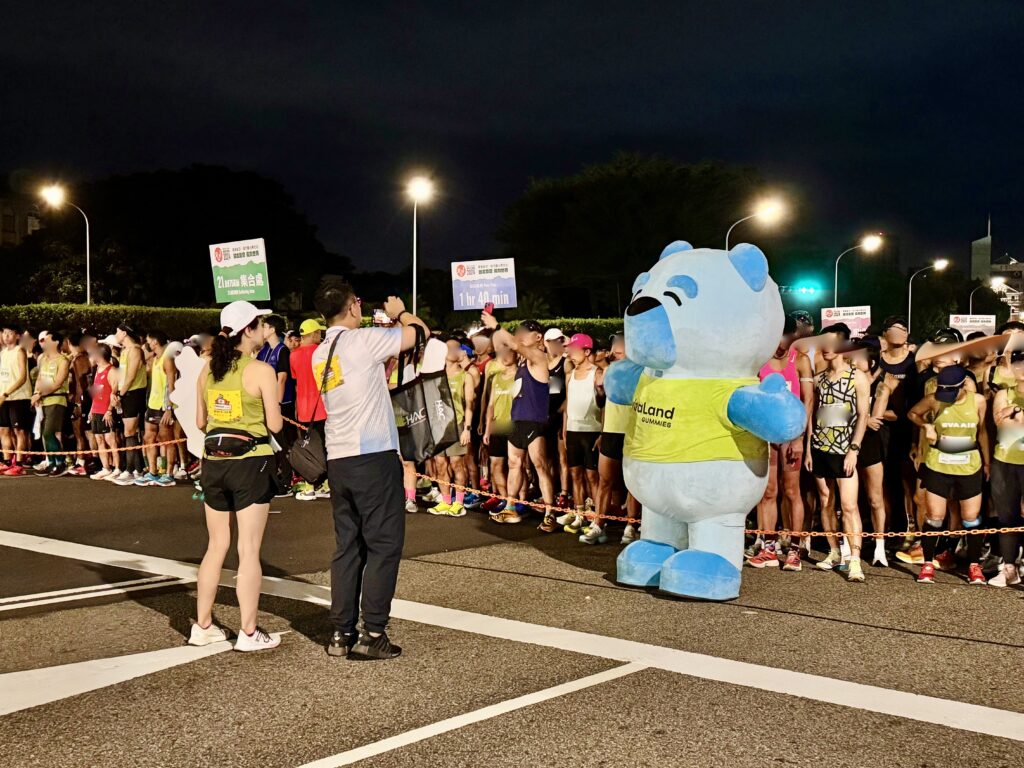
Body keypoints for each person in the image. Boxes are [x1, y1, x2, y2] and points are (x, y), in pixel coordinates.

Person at [312, 277, 429, 661]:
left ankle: (341, 633)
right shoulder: (361, 341)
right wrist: (399, 313)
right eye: (357, 302)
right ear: (351, 307)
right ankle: (372, 631)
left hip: (339, 457)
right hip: (372, 455)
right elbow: (419, 333)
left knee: (349, 546)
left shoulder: (320, 352)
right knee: (383, 544)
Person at [191, 300, 282, 652]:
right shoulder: (259, 370)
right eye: (260, 325)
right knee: (248, 549)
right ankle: (248, 631)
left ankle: (203, 626)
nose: (264, 331)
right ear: (249, 329)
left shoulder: (208, 370)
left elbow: (201, 422)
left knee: (216, 545)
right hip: (251, 462)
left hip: (212, 461)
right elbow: (274, 425)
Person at [907, 365, 989, 584]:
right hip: (939, 464)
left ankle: (974, 566)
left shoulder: (978, 401)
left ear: (963, 385)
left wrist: (987, 462)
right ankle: (927, 564)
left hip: (968, 464)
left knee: (970, 517)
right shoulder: (935, 399)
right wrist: (926, 425)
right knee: (935, 516)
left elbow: (982, 432)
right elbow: (912, 413)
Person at [482, 316, 558, 529]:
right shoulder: (523, 361)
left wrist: (496, 326)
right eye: (519, 331)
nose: (521, 335)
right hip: (518, 420)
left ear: (538, 337)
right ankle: (510, 507)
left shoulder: (538, 357)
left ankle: (550, 512)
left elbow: (513, 343)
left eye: (526, 332)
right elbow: (504, 346)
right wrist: (496, 334)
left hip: (534, 421)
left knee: (540, 466)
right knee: (514, 464)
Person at [806, 337, 871, 582]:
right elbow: (814, 414)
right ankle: (834, 552)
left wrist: (854, 448)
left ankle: (854, 559)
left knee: (849, 505)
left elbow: (864, 415)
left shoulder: (857, 377)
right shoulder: (820, 379)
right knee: (826, 501)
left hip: (845, 448)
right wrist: (810, 448)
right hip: (821, 446)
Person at [747, 316, 807, 571]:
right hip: (766, 436)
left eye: (786, 337)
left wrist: (799, 437)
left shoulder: (800, 360)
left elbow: (808, 402)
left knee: (792, 491)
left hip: (792, 436)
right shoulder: (759, 362)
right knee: (768, 492)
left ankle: (794, 550)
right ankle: (768, 548)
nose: (780, 343)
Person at [579, 333, 638, 545]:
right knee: (605, 481)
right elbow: (602, 404)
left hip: (634, 431)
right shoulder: (610, 371)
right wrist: (599, 390)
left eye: (622, 344)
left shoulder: (641, 371)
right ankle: (599, 524)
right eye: (614, 344)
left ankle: (632, 526)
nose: (617, 348)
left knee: (633, 483)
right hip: (611, 431)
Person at [556, 333, 602, 534]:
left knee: (593, 476)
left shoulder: (597, 374)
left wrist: (603, 431)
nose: (571, 354)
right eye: (570, 351)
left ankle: (598, 517)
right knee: (575, 473)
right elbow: (567, 404)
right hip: (573, 430)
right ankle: (579, 513)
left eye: (575, 351)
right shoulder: (569, 376)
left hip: (592, 430)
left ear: (587, 351)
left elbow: (602, 406)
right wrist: (565, 429)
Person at [986, 346, 1024, 587]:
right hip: (1005, 460)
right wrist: (1014, 412)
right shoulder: (1004, 392)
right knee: (1006, 516)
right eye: (1017, 363)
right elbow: (999, 421)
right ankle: (1009, 567)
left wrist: (1016, 413)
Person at [428, 338, 476, 517]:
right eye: (449, 348)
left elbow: (469, 405)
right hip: (438, 426)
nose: (453, 351)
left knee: (457, 463)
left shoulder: (466, 376)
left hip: (457, 425)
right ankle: (446, 500)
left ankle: (459, 502)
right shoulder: (435, 376)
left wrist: (467, 429)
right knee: (440, 464)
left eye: (456, 348)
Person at [289, 318, 328, 501]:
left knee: (307, 449)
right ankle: (326, 484)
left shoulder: (293, 355)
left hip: (304, 410)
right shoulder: (322, 352)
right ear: (312, 334)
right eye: (318, 333)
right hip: (324, 407)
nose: (320, 335)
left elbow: (296, 382)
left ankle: (309, 485)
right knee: (327, 447)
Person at [258, 315, 296, 493]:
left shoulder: (282, 350)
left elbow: (282, 378)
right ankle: (275, 478)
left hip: (283, 402)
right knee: (270, 443)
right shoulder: (263, 350)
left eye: (264, 326)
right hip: (266, 403)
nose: (262, 330)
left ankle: (288, 480)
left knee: (283, 443)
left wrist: (278, 404)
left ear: (272, 329)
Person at [137, 330, 177, 486]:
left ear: (155, 341)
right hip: (152, 405)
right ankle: (152, 473)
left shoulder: (167, 359)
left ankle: (169, 474)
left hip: (163, 405)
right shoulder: (154, 359)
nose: (147, 343)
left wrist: (169, 408)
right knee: (149, 438)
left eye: (148, 340)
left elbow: (170, 385)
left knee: (167, 440)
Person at [481, 346, 517, 515]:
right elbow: (490, 405)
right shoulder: (496, 378)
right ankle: (504, 498)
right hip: (497, 427)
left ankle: (516, 500)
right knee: (496, 465)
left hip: (514, 427)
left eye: (508, 353)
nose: (505, 357)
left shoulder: (520, 375)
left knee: (515, 466)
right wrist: (488, 429)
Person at [112, 323, 148, 484]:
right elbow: (122, 375)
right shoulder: (124, 351)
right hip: (125, 393)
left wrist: (121, 393)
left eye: (117, 331)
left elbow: (131, 375)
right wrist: (115, 393)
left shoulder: (135, 350)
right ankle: (137, 469)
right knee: (128, 432)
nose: (116, 334)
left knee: (130, 432)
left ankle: (131, 470)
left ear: (125, 333)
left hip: (133, 393)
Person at [31, 331, 71, 476]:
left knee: (49, 432)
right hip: (43, 401)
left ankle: (60, 462)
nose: (42, 343)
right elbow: (40, 379)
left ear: (55, 342)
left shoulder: (63, 361)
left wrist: (40, 394)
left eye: (45, 340)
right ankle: (52, 462)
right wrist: (36, 394)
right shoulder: (44, 359)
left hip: (56, 399)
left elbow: (58, 383)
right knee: (44, 432)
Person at [0, 322, 33, 475]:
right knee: (4, 430)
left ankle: (19, 463)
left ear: (17, 336)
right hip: (3, 398)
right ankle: (7, 461)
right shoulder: (3, 352)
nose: (6, 336)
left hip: (18, 397)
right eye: (4, 333)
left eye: (10, 333)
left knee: (19, 430)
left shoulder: (20, 351)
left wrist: (7, 393)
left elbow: (22, 377)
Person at [544, 327, 570, 506]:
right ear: (546, 343)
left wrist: (563, 413)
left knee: (562, 457)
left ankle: (564, 493)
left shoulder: (565, 362)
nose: (557, 345)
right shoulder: (540, 362)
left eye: (559, 341)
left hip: (559, 416)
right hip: (543, 416)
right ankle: (549, 492)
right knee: (546, 457)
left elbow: (569, 393)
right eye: (553, 341)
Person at [87, 343, 121, 480]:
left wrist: (109, 410)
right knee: (99, 439)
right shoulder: (97, 370)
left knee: (111, 440)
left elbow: (115, 392)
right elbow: (96, 392)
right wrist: (91, 409)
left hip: (106, 411)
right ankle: (105, 467)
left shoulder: (111, 371)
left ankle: (117, 468)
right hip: (96, 410)